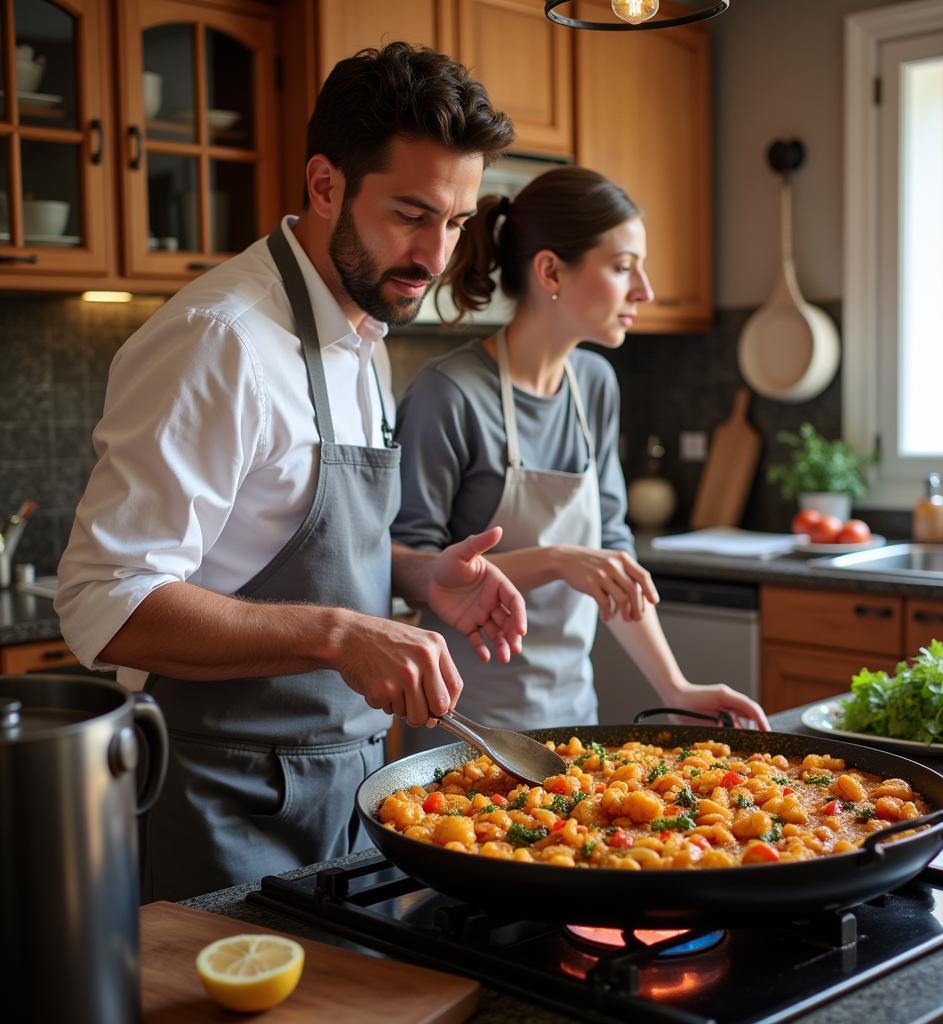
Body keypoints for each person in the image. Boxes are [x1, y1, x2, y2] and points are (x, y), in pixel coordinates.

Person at [55, 43, 524, 902]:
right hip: (216, 798)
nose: (434, 254)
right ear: (324, 185)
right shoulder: (219, 338)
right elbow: (103, 600)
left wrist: (416, 572)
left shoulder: (363, 333)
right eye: (411, 214)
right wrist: (344, 634)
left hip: (349, 788)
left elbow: (280, 539)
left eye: (456, 222)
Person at [392, 167, 769, 747]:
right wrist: (555, 560)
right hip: (463, 728)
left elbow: (611, 559)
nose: (643, 289)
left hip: (571, 720)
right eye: (622, 268)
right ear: (550, 272)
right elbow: (412, 573)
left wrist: (676, 688)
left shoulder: (594, 383)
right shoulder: (450, 393)